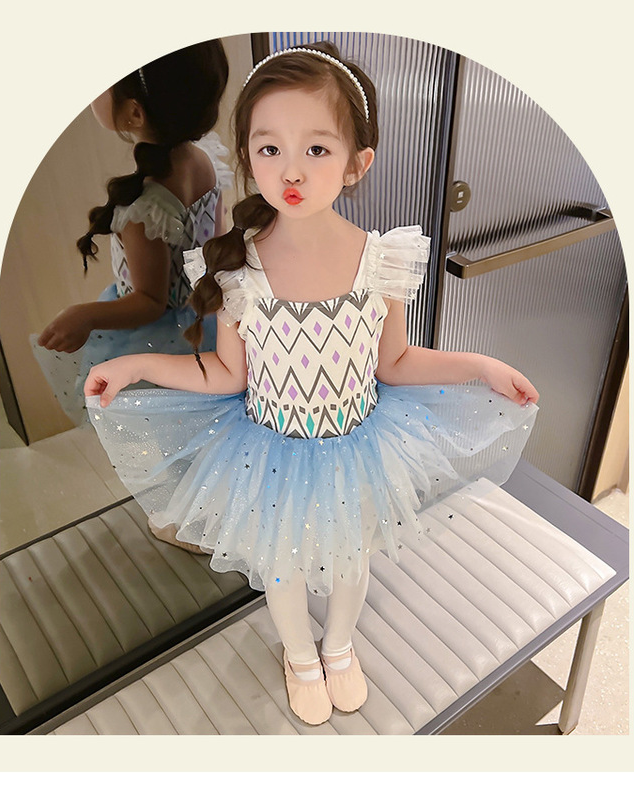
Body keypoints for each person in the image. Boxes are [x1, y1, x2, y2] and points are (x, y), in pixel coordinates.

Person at [83, 43, 539, 726]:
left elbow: (395, 363)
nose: (291, 170)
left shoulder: (381, 261)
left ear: (358, 163)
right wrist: (137, 366)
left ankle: (340, 645)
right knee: (283, 565)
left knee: (353, 558)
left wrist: (480, 366)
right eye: (269, 149)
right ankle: (300, 655)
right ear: (247, 155)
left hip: (359, 449)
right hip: (269, 453)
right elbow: (225, 373)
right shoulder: (236, 269)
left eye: (317, 149)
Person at [32, 39, 231, 429]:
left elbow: (150, 302)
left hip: (159, 339)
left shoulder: (144, 208)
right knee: (197, 425)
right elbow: (215, 242)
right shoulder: (204, 159)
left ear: (135, 112)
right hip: (201, 319)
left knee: (163, 432)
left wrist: (83, 316)